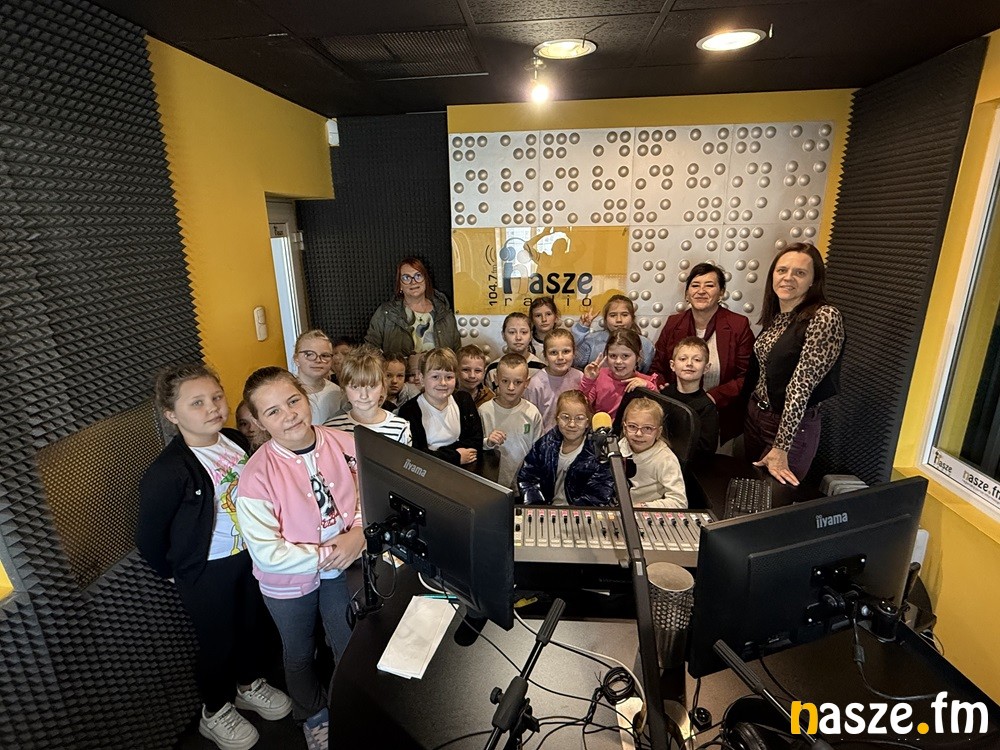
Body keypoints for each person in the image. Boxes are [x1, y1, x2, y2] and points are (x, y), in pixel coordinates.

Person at [137, 364, 291, 750]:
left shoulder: (234, 439)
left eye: (216, 397)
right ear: (172, 415)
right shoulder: (167, 471)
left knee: (252, 627)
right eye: (197, 403)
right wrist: (176, 572)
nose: (212, 408)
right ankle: (215, 709)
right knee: (219, 641)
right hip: (207, 570)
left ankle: (248, 685)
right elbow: (149, 536)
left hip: (249, 557)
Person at [236, 367, 365, 750]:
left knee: (348, 644)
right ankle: (313, 714)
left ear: (306, 397)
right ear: (259, 422)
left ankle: (350, 707)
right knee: (299, 652)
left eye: (293, 401)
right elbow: (268, 553)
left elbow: (366, 495)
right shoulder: (255, 476)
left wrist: (359, 532)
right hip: (289, 584)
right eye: (272, 411)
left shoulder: (346, 443)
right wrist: (331, 553)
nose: (289, 414)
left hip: (343, 569)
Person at [744, 243, 844, 485]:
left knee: (773, 499)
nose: (788, 278)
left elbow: (800, 388)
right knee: (750, 492)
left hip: (789, 429)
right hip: (757, 417)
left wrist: (781, 447)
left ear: (813, 281)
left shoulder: (824, 317)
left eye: (799, 273)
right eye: (782, 270)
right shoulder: (778, 317)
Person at [650, 262, 755, 444]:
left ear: (721, 293)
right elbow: (658, 367)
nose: (701, 291)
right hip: (675, 415)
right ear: (687, 293)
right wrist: (664, 389)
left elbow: (747, 376)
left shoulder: (738, 325)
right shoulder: (673, 323)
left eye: (709, 285)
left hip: (722, 416)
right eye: (695, 285)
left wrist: (712, 398)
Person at [517, 390, 614, 506]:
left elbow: (598, 494)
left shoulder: (598, 453)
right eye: (565, 417)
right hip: (545, 509)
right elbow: (528, 477)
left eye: (579, 418)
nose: (571, 424)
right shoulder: (545, 444)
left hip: (580, 513)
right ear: (557, 418)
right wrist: (537, 506)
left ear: (588, 422)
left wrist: (574, 514)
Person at [397, 347, 484, 467]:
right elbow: (416, 456)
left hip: (464, 469)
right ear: (422, 379)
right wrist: (455, 456)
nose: (443, 383)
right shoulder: (409, 411)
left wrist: (435, 452)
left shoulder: (464, 400)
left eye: (449, 377)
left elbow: (476, 442)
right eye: (435, 377)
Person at [364, 257, 461, 358]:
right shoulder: (386, 313)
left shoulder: (444, 313)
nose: (413, 282)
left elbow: (456, 353)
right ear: (400, 285)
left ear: (426, 280)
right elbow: (370, 352)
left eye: (418, 276)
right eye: (406, 278)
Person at [479, 354, 543, 489]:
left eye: (518, 382)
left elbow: (538, 451)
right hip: (492, 484)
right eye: (505, 381)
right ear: (496, 379)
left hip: (523, 484)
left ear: (527, 382)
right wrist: (488, 442)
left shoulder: (532, 413)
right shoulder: (484, 411)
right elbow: (475, 446)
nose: (511, 387)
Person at [325, 347, 412, 445]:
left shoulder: (400, 428)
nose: (364, 395)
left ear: (383, 386)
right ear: (344, 387)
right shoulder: (331, 429)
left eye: (372, 386)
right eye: (355, 387)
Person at [618, 397, 687, 509]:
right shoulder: (622, 444)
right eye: (632, 426)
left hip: (642, 511)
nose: (638, 434)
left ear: (658, 432)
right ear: (624, 427)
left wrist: (643, 507)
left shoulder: (665, 459)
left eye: (647, 428)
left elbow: (679, 503)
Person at [580, 329, 658, 420]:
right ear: (606, 355)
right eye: (613, 356)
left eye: (625, 356)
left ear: (638, 356)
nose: (618, 361)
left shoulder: (646, 381)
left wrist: (648, 386)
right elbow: (582, 405)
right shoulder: (600, 376)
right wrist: (588, 380)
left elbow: (658, 412)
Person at [661, 336, 720, 457]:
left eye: (697, 360)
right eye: (683, 359)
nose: (689, 364)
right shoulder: (664, 395)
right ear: (672, 365)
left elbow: (706, 449)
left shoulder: (707, 407)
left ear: (706, 368)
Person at [572, 295, 655, 372]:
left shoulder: (645, 344)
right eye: (613, 315)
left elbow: (647, 372)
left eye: (624, 315)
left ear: (632, 318)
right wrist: (581, 329)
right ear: (606, 319)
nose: (619, 320)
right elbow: (575, 362)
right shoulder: (592, 340)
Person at [524, 329, 584, 433]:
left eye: (566, 351)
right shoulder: (535, 384)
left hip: (575, 435)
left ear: (574, 353)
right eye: (553, 353)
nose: (560, 357)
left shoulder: (579, 377)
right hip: (545, 438)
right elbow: (530, 419)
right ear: (545, 355)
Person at [292, 329, 344, 425]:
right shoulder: (285, 392)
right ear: (296, 359)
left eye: (325, 355)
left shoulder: (337, 393)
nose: (318, 360)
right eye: (309, 354)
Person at [484, 312, 545, 389]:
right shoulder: (493, 369)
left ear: (530, 336)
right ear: (503, 335)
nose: (518, 337)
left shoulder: (541, 369)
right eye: (512, 332)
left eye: (524, 332)